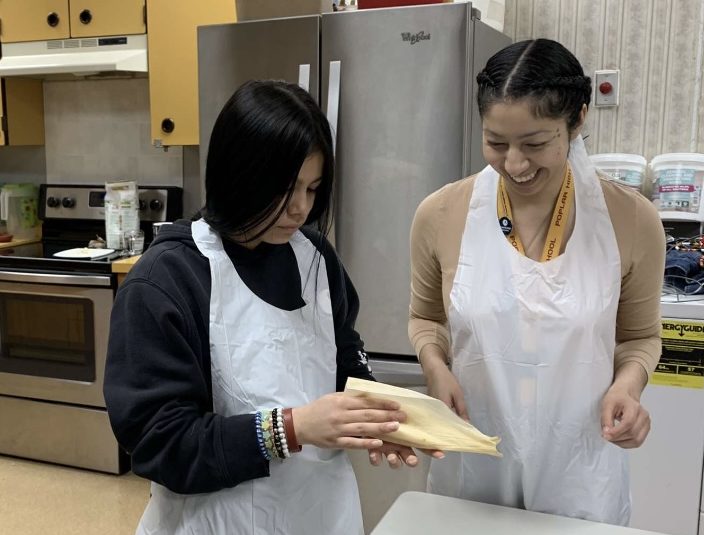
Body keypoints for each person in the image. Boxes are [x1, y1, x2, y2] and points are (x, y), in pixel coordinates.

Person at [104, 80, 428, 535]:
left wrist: (375, 411)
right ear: (239, 174)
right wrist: (291, 428)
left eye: (313, 189)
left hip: (319, 515)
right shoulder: (167, 281)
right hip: (216, 522)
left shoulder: (313, 256)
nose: (299, 209)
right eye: (285, 188)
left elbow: (343, 352)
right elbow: (161, 443)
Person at [408, 39, 665, 525]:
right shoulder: (440, 214)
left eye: (535, 143)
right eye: (496, 143)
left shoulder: (632, 220)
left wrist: (629, 388)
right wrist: (435, 369)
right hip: (474, 465)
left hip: (580, 470)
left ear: (578, 120)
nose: (515, 164)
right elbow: (425, 317)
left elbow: (639, 337)